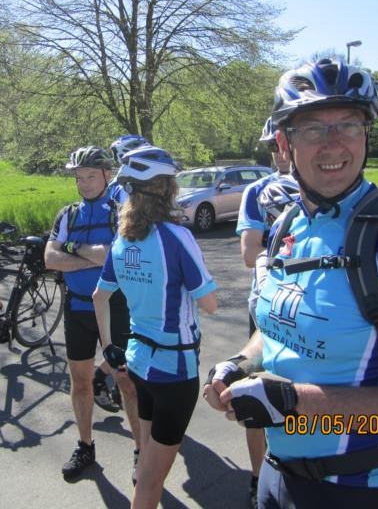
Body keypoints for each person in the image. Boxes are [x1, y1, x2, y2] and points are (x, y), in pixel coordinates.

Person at [204, 59, 378, 508]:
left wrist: (294, 402)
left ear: (366, 134)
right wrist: (242, 363)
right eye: (313, 129)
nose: (333, 143)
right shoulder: (286, 223)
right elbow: (279, 325)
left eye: (348, 124)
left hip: (363, 490)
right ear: (285, 143)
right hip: (277, 474)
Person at [93, 145, 217, 509]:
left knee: (146, 461)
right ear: (166, 189)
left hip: (138, 363)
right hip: (175, 371)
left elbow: (99, 297)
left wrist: (108, 349)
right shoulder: (177, 237)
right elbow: (210, 304)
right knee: (151, 479)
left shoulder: (122, 239)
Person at [44, 146, 141, 482]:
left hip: (115, 308)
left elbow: (111, 257)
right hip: (77, 308)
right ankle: (85, 446)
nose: (83, 183)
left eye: (90, 176)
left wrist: (72, 250)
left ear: (106, 175)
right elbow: (50, 259)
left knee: (127, 382)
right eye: (79, 177)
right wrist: (91, 256)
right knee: (81, 382)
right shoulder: (67, 215)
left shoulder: (120, 212)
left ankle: (141, 452)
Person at [231, 117, 299, 508]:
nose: (281, 153)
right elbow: (248, 253)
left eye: (285, 143)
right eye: (273, 146)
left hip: (314, 309)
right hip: (268, 306)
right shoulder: (258, 191)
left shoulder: (327, 187)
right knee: (257, 394)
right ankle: (260, 477)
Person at [89, 133, 151, 412]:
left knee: (134, 333)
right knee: (135, 333)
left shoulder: (118, 185)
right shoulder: (126, 188)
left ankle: (108, 379)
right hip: (129, 260)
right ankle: (104, 378)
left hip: (124, 260)